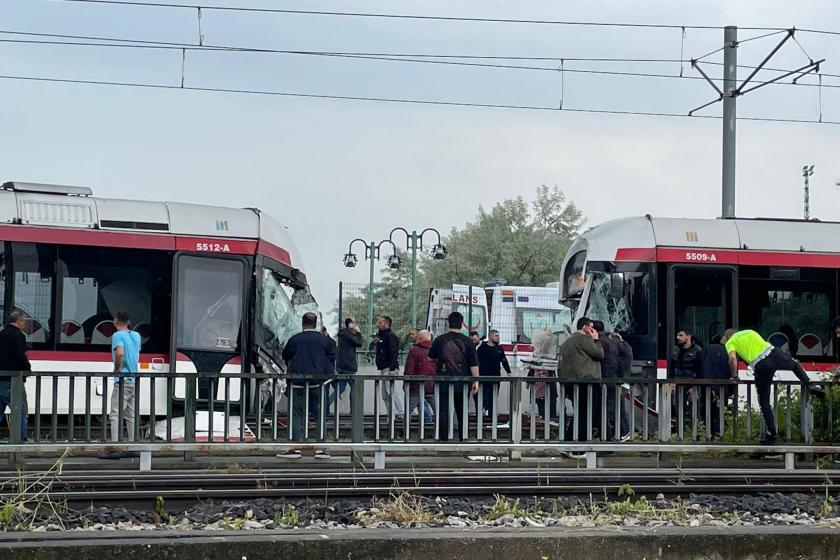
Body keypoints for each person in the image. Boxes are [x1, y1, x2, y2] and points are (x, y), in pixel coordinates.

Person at [722, 328, 824, 445]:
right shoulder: (750, 332)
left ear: (728, 337)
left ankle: (772, 434)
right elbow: (753, 349)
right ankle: (810, 385)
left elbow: (732, 359)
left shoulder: (731, 342)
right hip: (773, 352)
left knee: (764, 401)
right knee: (794, 365)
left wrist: (735, 376)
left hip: (762, 364)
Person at [280, 312, 336, 457]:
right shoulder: (324, 340)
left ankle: (294, 448)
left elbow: (285, 355)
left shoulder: (295, 339)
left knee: (295, 415)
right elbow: (331, 357)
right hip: (317, 383)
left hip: (297, 383)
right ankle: (320, 448)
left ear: (302, 323)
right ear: (316, 323)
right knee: (319, 415)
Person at [428, 312, 479, 441]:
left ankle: (444, 438)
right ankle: (463, 438)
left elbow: (430, 357)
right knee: (462, 411)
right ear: (462, 324)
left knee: (443, 410)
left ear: (448, 323)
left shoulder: (440, 339)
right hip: (463, 382)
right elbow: (474, 364)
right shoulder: (468, 341)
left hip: (443, 380)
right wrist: (476, 381)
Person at [557, 317, 603, 441]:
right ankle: (578, 441)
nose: (594, 331)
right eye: (592, 328)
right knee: (585, 414)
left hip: (570, 383)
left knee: (580, 412)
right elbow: (599, 354)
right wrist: (596, 340)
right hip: (587, 382)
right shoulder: (584, 339)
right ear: (585, 328)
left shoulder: (566, 343)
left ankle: (570, 439)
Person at [109, 311, 141, 445]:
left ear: (115, 321)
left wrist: (117, 369)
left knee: (115, 414)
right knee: (131, 415)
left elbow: (120, 353)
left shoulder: (117, 335)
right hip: (134, 379)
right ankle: (133, 444)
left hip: (122, 379)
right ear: (129, 322)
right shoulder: (136, 335)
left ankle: (115, 445)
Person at [593, 320, 629, 440]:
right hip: (615, 378)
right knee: (617, 406)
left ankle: (621, 432)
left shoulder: (599, 342)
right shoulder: (613, 340)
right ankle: (620, 432)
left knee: (611, 408)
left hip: (606, 379)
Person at [0, 310, 31, 442]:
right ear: (18, 321)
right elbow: (20, 356)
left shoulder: (1, 334)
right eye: (24, 320)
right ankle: (20, 439)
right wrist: (27, 369)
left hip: (0, 378)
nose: (25, 323)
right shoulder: (18, 336)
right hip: (13, 380)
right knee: (20, 410)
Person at [475, 329, 511, 421]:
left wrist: (508, 372)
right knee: (483, 397)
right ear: (490, 336)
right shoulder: (482, 348)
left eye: (499, 336)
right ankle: (482, 415)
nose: (498, 338)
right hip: (484, 377)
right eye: (496, 336)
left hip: (495, 377)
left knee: (493, 397)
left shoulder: (499, 349)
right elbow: (476, 362)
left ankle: (491, 417)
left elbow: (504, 360)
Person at [701, 334, 731, 438]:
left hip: (707, 384)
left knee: (708, 409)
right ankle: (720, 433)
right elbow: (729, 368)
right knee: (722, 409)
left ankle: (707, 432)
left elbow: (701, 367)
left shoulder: (706, 349)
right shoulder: (727, 350)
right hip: (723, 385)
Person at [403, 330, 435, 426]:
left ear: (419, 338)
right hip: (432, 385)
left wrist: (406, 383)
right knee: (438, 410)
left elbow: (409, 369)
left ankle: (405, 435)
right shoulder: (436, 349)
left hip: (416, 385)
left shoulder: (414, 350)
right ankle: (439, 434)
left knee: (409, 409)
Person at [332, 317, 363, 414]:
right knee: (353, 388)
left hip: (342, 364)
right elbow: (359, 343)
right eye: (354, 322)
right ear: (350, 324)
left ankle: (324, 407)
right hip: (348, 365)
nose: (356, 324)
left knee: (341, 387)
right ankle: (353, 411)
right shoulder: (348, 334)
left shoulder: (343, 334)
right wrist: (359, 332)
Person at [375, 316, 403, 420]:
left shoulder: (390, 336)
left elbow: (393, 352)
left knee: (391, 391)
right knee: (385, 394)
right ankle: (391, 415)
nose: (378, 324)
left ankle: (401, 413)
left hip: (389, 367)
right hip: (384, 367)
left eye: (380, 322)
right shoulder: (383, 337)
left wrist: (392, 368)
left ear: (386, 324)